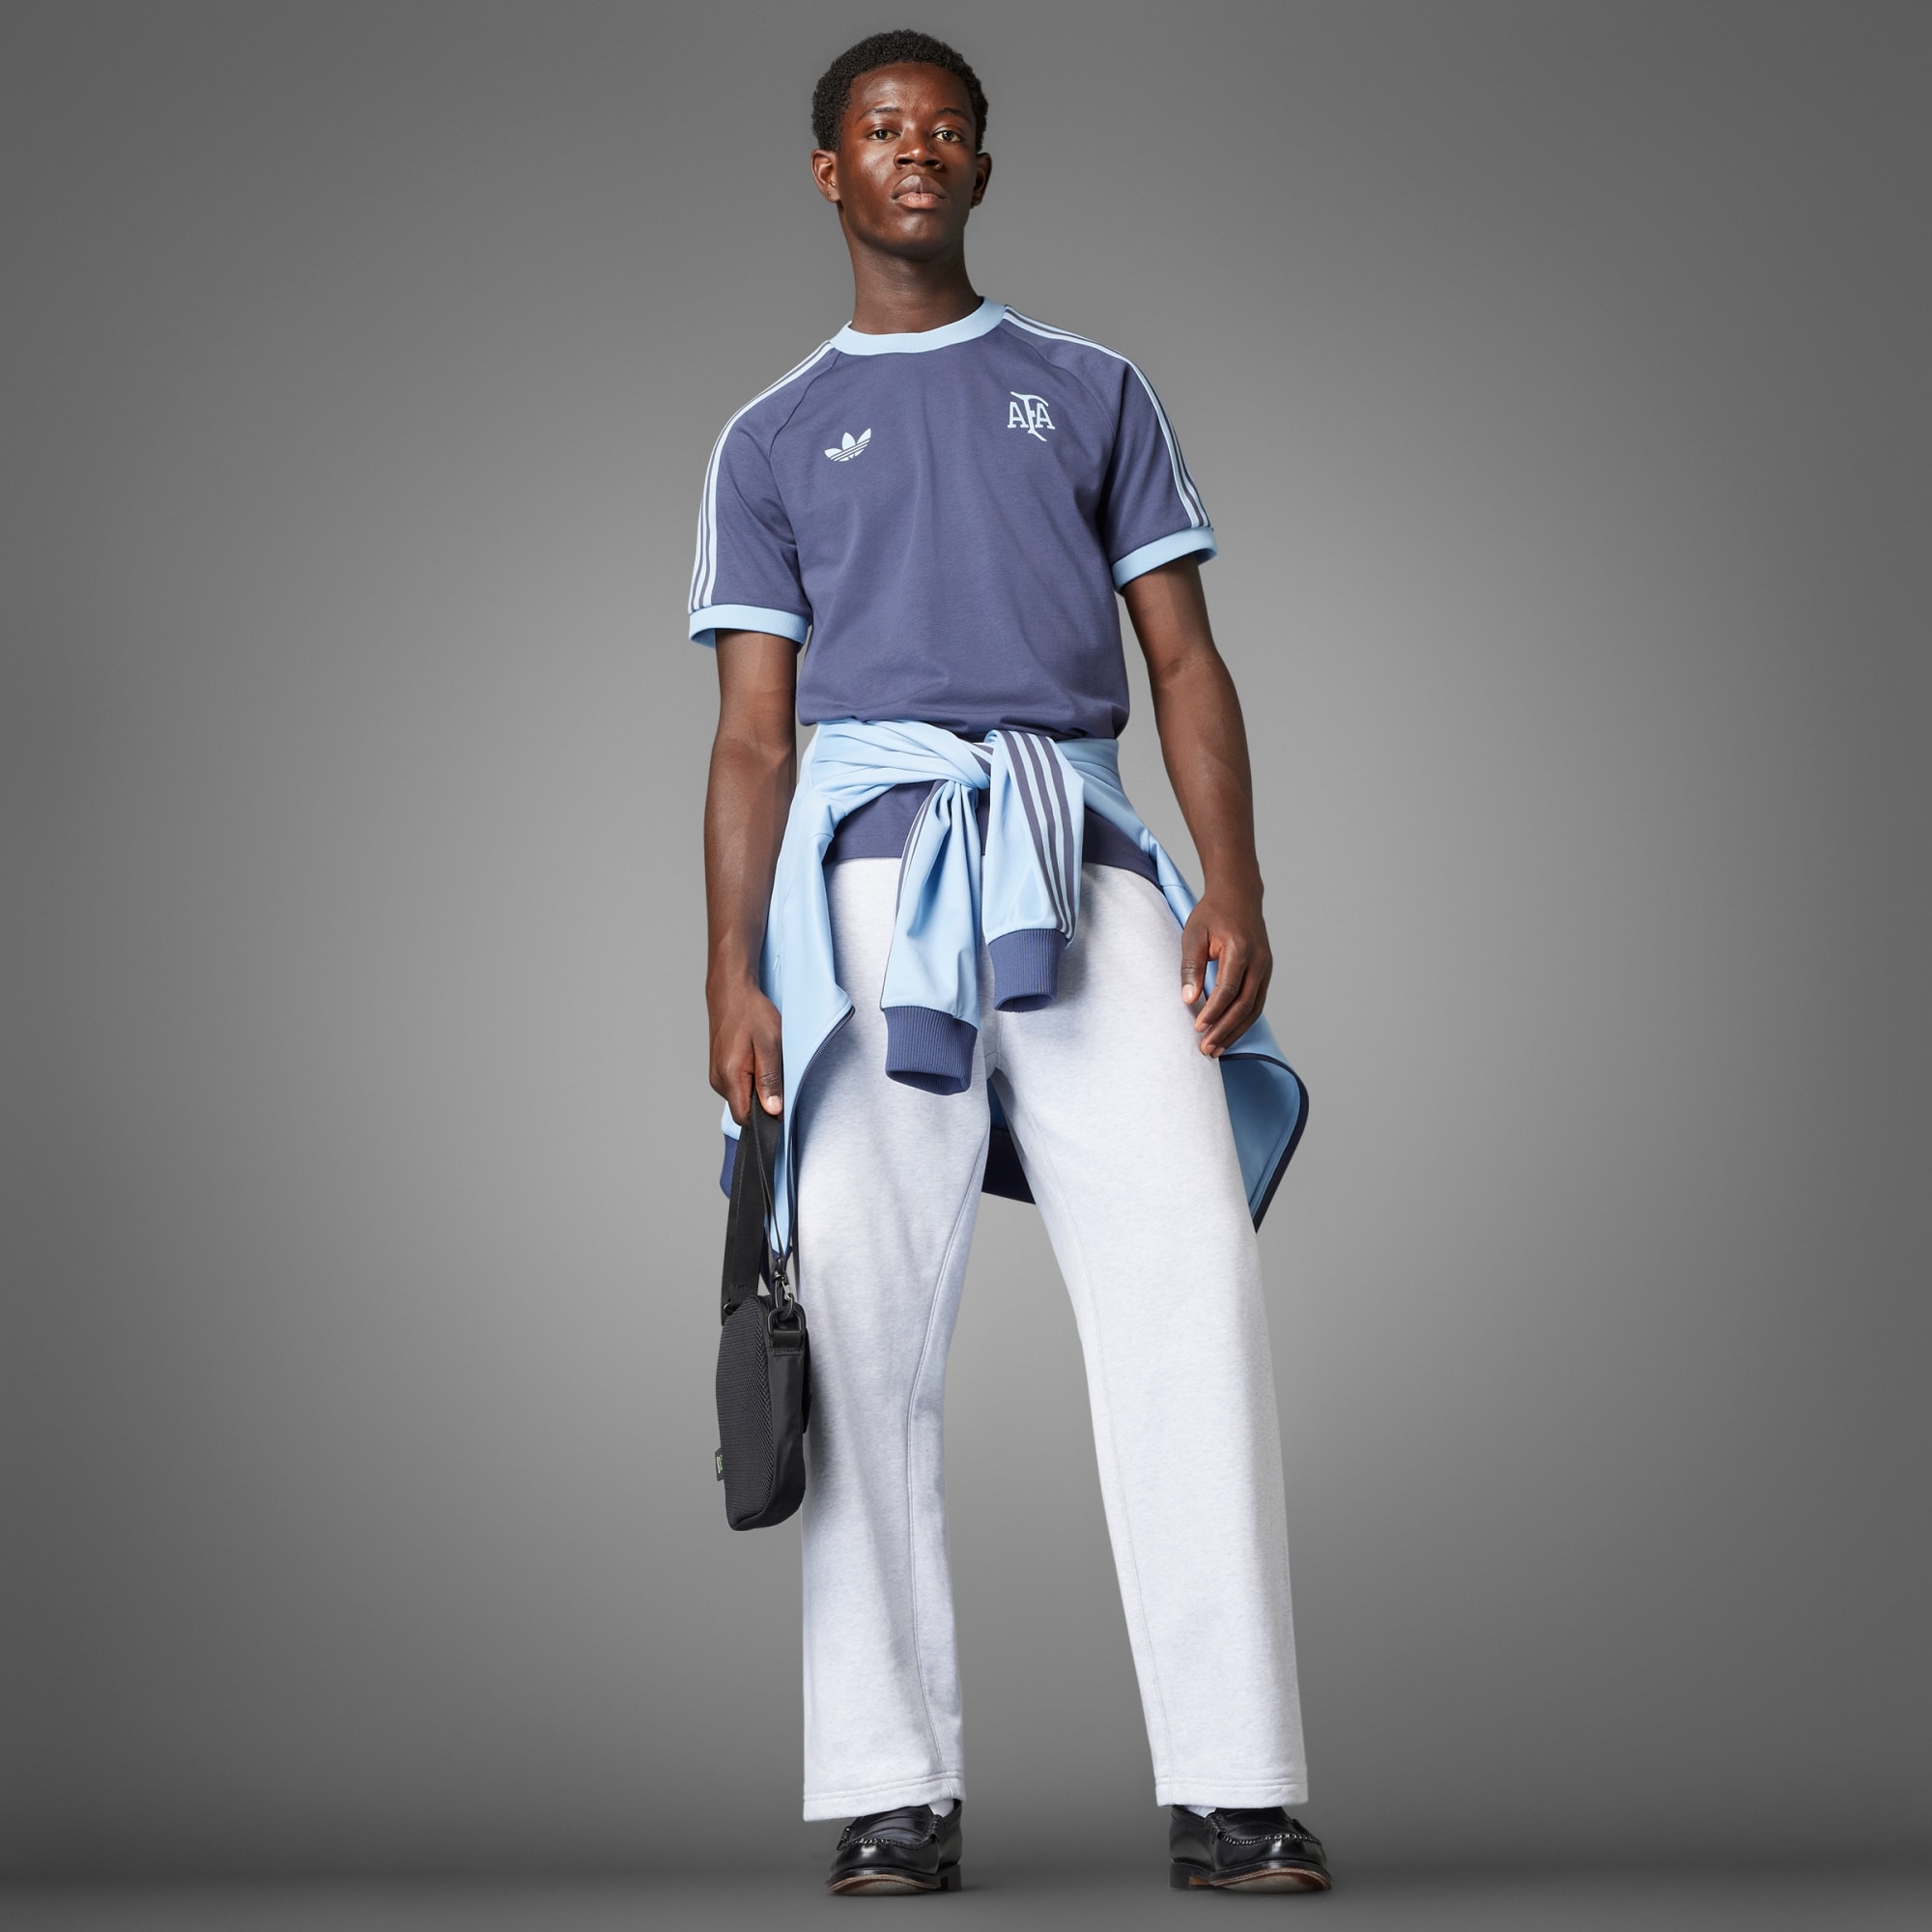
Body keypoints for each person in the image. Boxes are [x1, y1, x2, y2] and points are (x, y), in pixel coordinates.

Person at [691, 29, 1331, 1896]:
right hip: (869, 893)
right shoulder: (770, 436)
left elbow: (1184, 659)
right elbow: (753, 740)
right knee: (859, 1330)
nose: (918, 151)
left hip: (1077, 857)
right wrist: (732, 972)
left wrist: (1234, 880)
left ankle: (1237, 1786)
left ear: (982, 166)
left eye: (947, 129)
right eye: (882, 129)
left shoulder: (1091, 387)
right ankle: (892, 1789)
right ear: (831, 170)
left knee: (1187, 1281)